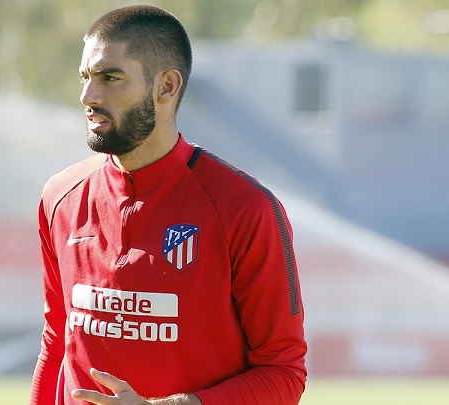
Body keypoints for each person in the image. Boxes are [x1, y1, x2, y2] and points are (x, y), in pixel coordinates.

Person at [31, 5, 307, 405]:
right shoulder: (60, 197)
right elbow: (56, 345)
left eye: (110, 77)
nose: (88, 96)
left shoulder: (245, 208)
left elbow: (284, 374)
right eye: (86, 78)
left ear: (166, 87)